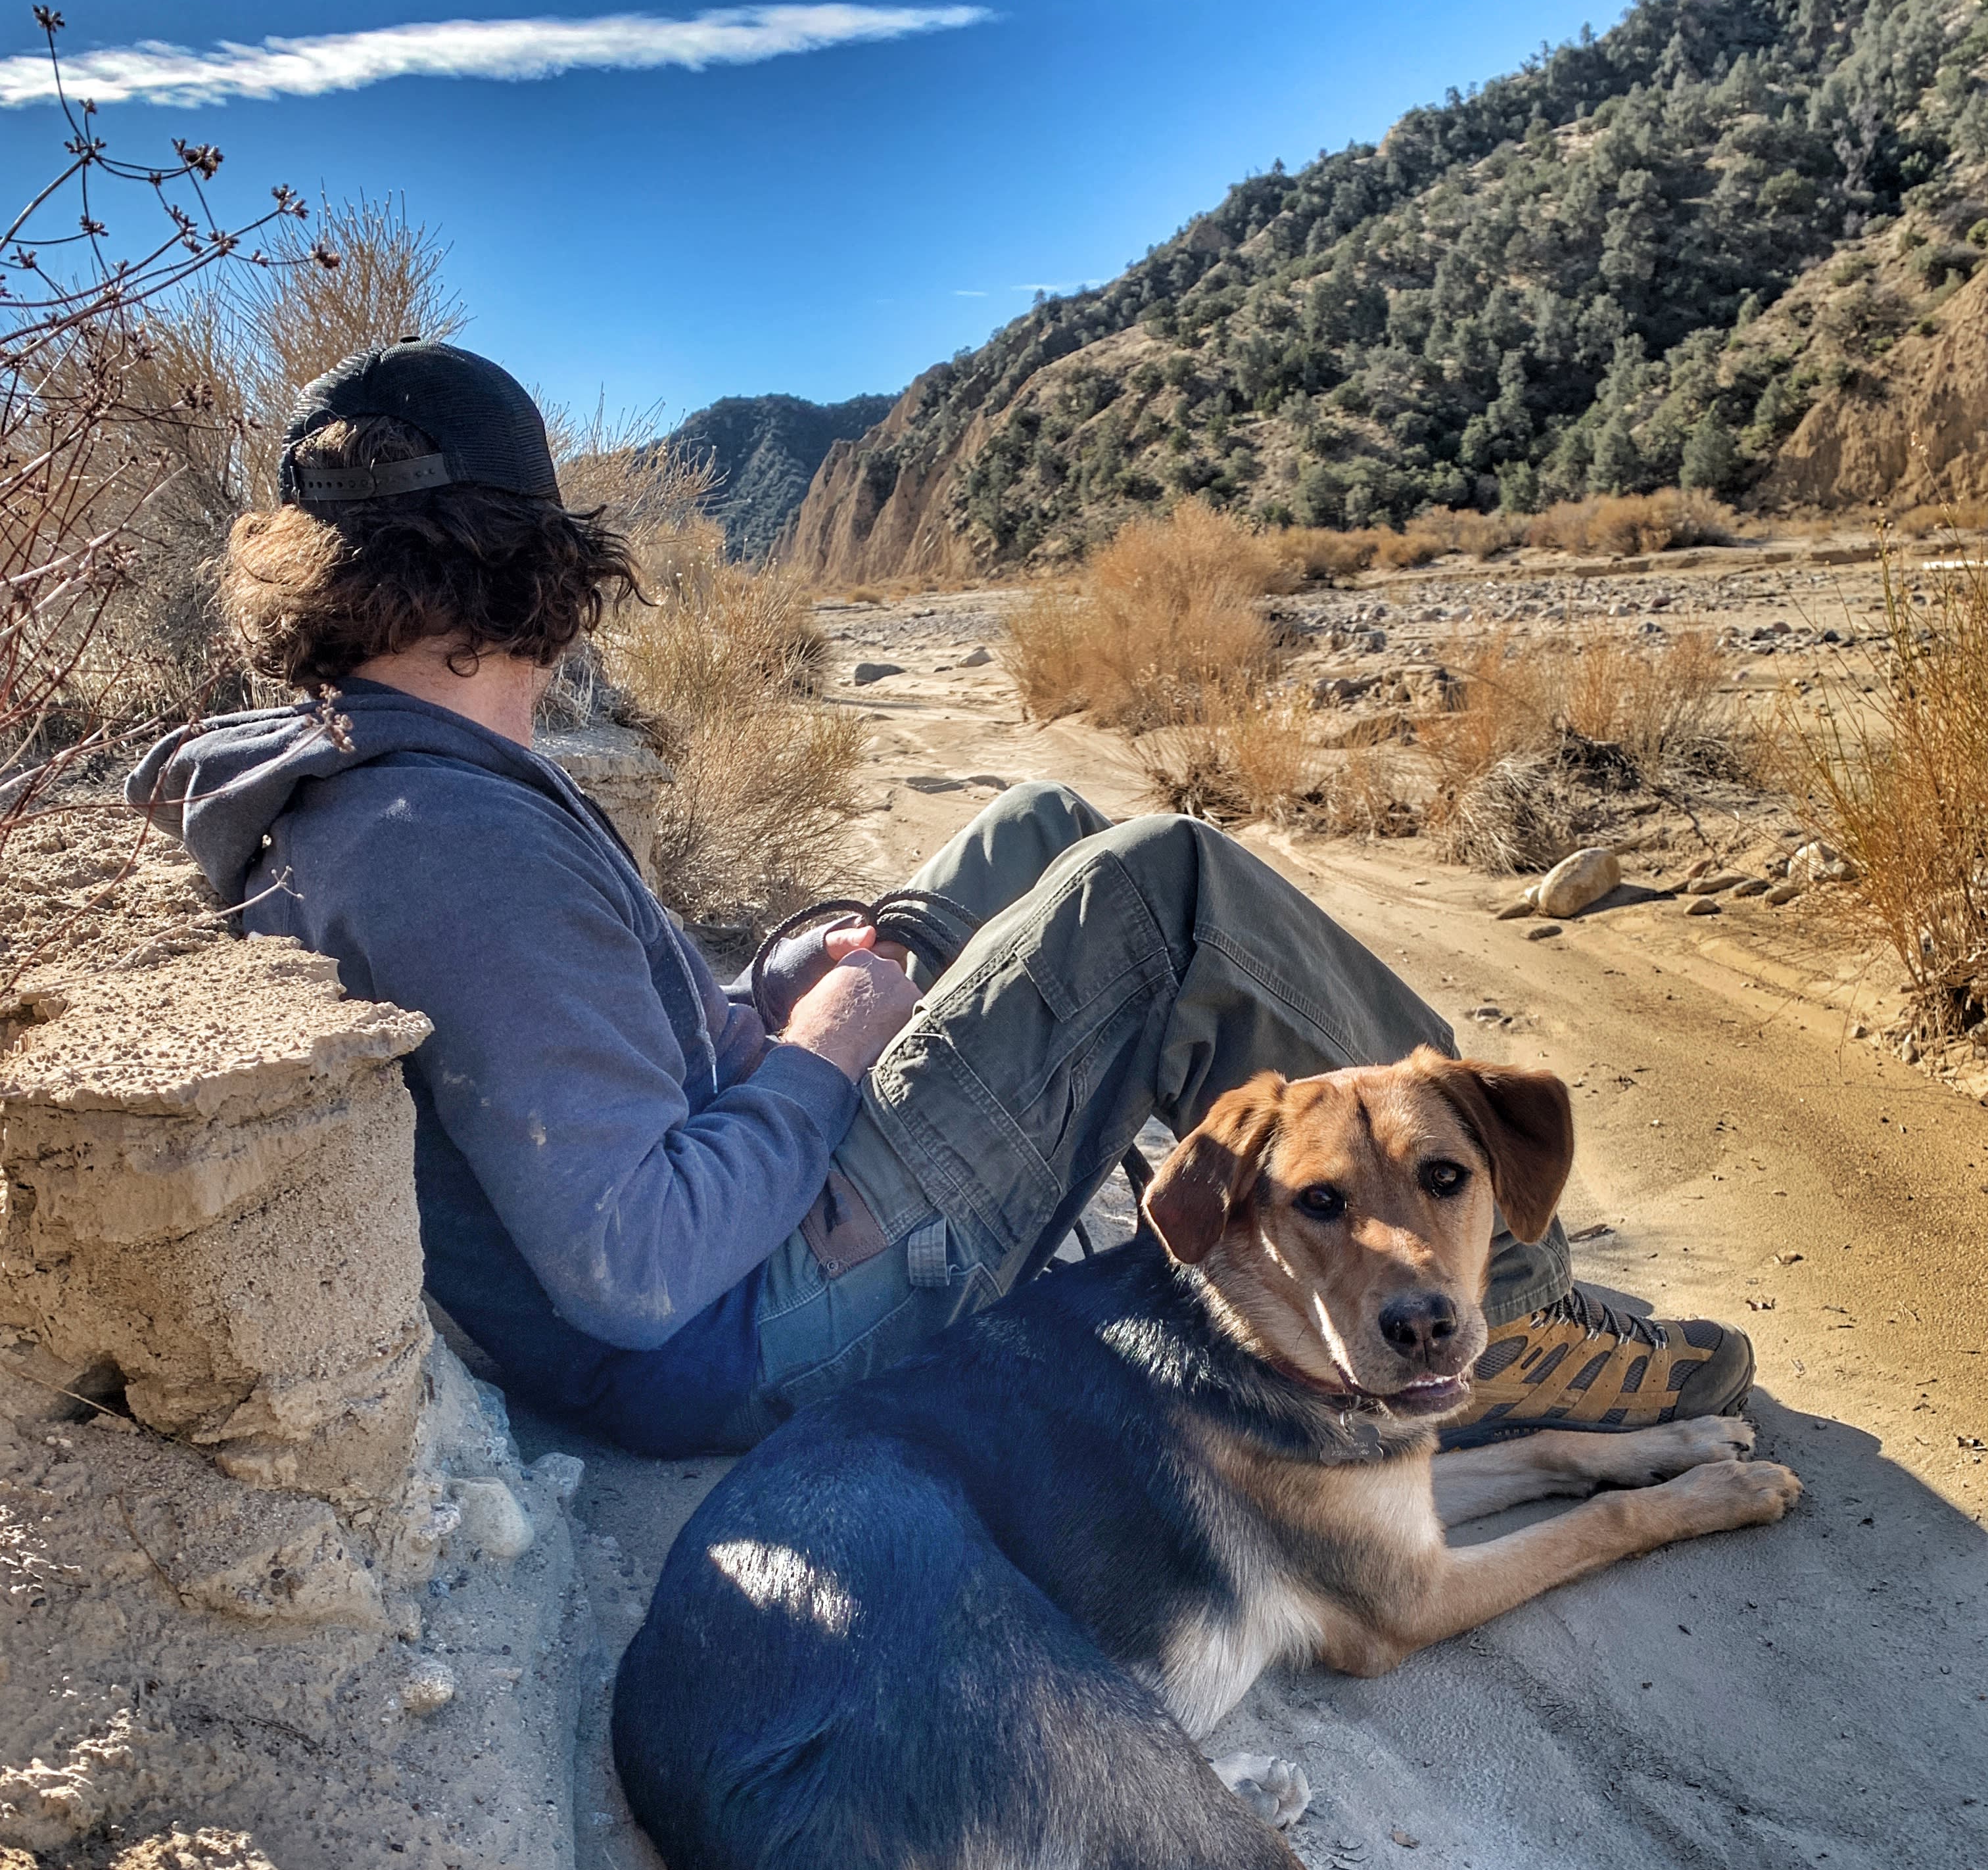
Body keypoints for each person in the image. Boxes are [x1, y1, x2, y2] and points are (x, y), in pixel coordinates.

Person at [129, 342, 1753, 1459]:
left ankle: (1348, 1217)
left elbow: (605, 1050)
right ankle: (1500, 1308)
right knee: (1163, 891)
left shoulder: (388, 770)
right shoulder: (443, 838)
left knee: (1036, 822)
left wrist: (776, 1001)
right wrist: (830, 1045)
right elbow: (632, 1264)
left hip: (747, 1209)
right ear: (533, 572)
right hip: (752, 1333)